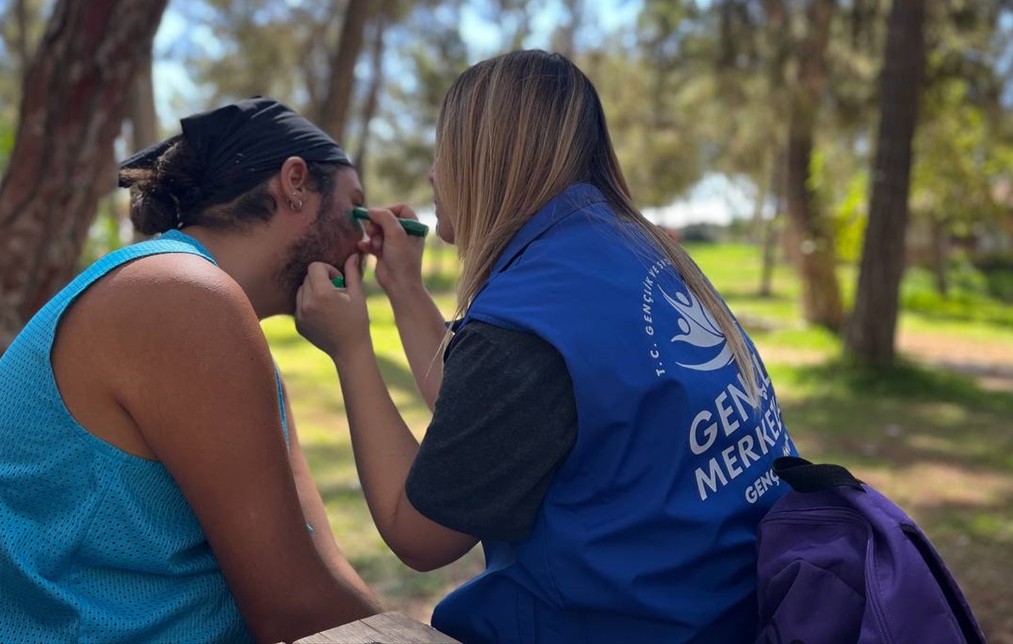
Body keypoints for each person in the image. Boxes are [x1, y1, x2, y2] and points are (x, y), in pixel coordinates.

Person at [295, 50, 799, 644]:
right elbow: (494, 432)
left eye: (445, 148)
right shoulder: (635, 253)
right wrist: (404, 286)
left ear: (487, 159)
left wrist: (352, 351)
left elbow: (420, 535)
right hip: (734, 615)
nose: (433, 173)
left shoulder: (530, 321)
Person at [0, 96, 381, 644]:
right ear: (295, 182)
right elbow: (294, 611)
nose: (367, 239)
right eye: (357, 209)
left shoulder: (191, 298)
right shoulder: (183, 296)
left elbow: (312, 560)